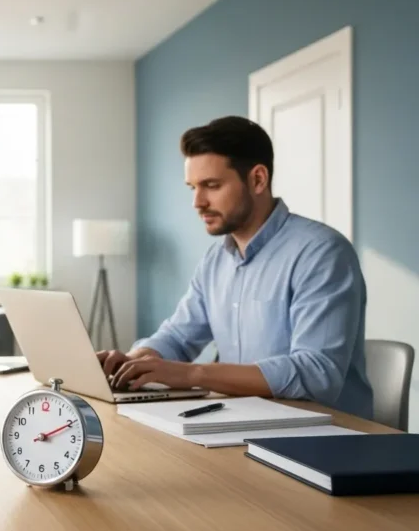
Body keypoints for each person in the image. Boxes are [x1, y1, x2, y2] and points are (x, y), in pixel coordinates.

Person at [100, 115, 373, 419]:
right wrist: (136, 360)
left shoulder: (321, 252)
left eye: (211, 185)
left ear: (258, 179)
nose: (197, 202)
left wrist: (194, 374)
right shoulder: (215, 261)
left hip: (327, 436)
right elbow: (178, 337)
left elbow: (316, 374)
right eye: (192, 187)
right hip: (245, 423)